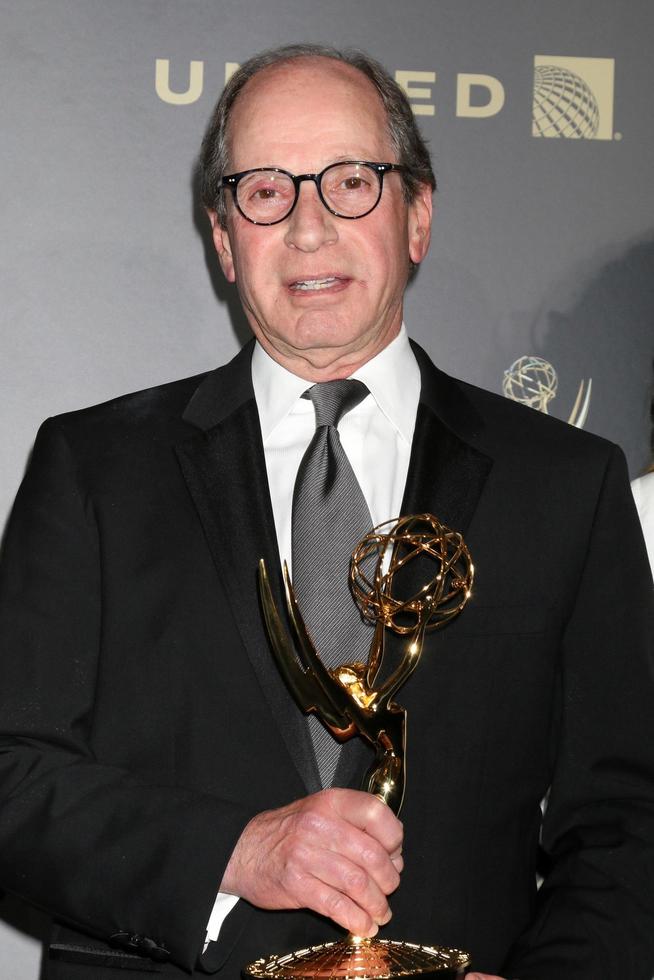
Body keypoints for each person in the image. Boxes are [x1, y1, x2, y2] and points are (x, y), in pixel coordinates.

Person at [0, 43, 653, 980]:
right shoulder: (95, 468)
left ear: (418, 217)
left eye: (352, 182)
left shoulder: (567, 484)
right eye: (266, 191)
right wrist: (237, 852)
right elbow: (11, 775)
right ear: (224, 238)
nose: (309, 227)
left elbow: (631, 820)